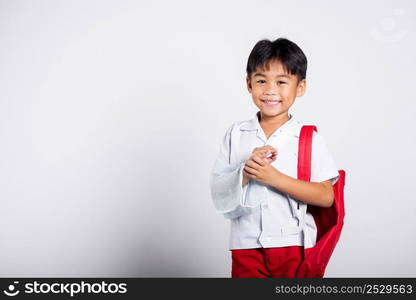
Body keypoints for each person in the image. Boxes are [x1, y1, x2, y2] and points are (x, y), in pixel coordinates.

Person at [209, 38, 340, 278]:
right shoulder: (236, 134)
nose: (270, 90)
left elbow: (326, 196)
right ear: (249, 84)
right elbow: (218, 192)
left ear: (300, 87)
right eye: (261, 81)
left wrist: (274, 178)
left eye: (281, 82)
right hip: (245, 246)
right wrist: (245, 173)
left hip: (294, 246)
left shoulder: (308, 138)